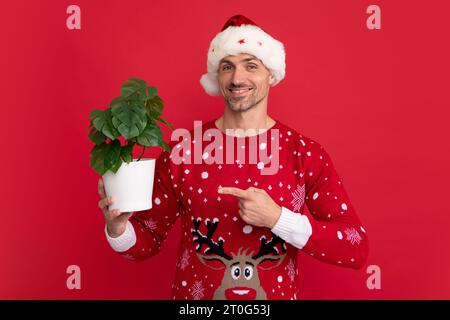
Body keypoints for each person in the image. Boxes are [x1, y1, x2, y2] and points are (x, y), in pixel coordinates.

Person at [97, 14, 369, 300]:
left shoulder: (304, 153)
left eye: (251, 66)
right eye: (228, 67)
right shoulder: (183, 151)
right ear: (217, 77)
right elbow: (146, 242)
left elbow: (355, 248)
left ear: (271, 74)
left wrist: (278, 218)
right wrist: (118, 227)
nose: (238, 78)